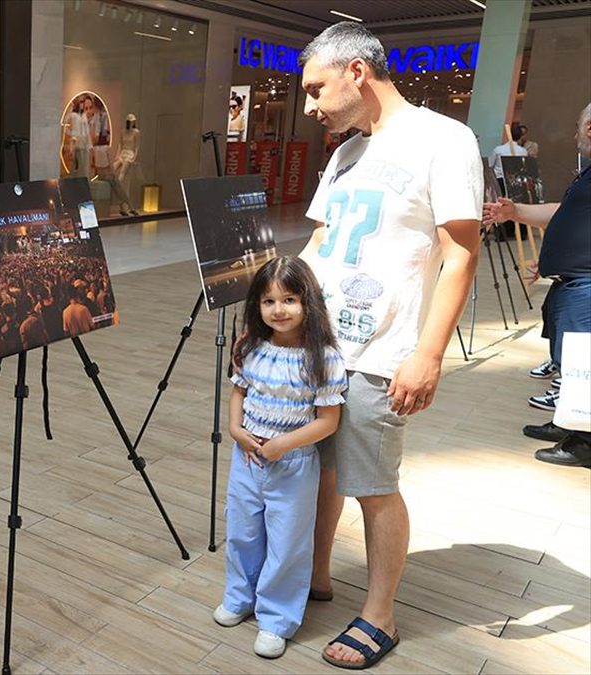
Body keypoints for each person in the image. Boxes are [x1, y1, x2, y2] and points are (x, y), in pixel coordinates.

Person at [297, 22, 482, 669]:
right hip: (319, 351)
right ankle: (316, 576)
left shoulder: (444, 140)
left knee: (372, 483)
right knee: (318, 470)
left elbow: (461, 254)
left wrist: (429, 352)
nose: (309, 104)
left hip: (382, 353)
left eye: (316, 88)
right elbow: (319, 247)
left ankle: (381, 615)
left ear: (356, 72)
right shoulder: (345, 154)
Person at [214, 256, 346, 659]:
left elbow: (328, 421)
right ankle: (240, 596)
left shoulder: (322, 357)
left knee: (288, 541)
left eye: (289, 299)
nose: (279, 310)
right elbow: (239, 393)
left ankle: (277, 617)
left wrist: (283, 445)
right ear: (256, 305)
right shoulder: (250, 347)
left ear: (308, 302)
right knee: (242, 531)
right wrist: (236, 431)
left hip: (293, 464)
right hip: (247, 459)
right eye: (269, 301)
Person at [485, 102, 591, 467]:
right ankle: (568, 424)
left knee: (583, 364)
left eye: (579, 126)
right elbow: (563, 214)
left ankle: (583, 443)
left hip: (585, 288)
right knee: (570, 361)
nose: (576, 134)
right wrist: (515, 212)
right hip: (571, 285)